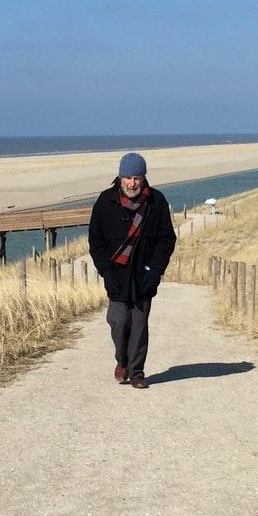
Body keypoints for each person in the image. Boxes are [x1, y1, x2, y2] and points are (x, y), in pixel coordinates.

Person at [88, 152, 176, 388]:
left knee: (139, 324)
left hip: (144, 275)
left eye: (136, 177)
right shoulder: (105, 202)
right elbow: (96, 241)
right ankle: (122, 360)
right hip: (116, 274)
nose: (132, 183)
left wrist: (155, 269)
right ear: (120, 177)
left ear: (143, 177)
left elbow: (166, 240)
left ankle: (137, 372)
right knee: (117, 320)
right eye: (127, 177)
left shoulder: (157, 202)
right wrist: (106, 270)